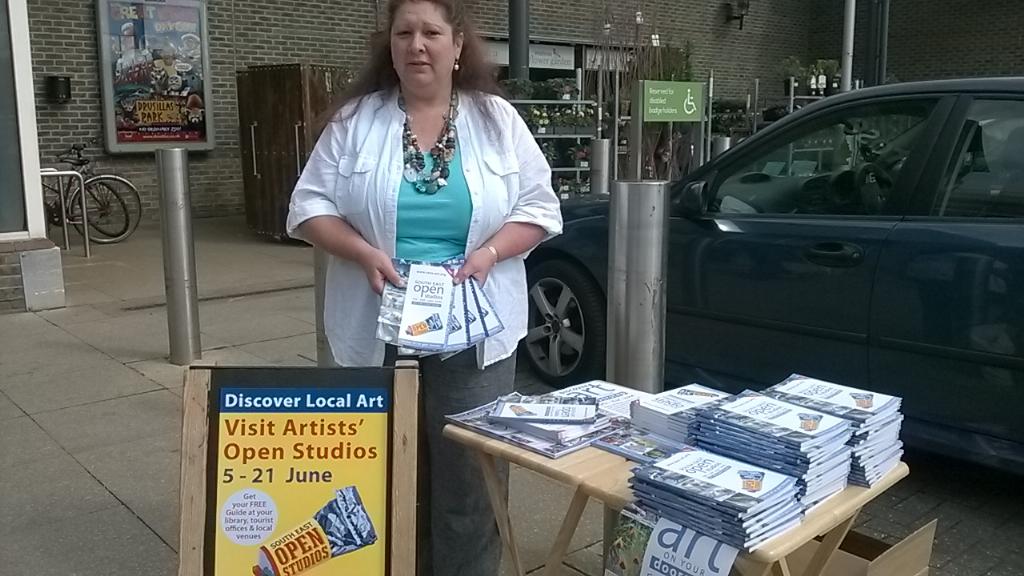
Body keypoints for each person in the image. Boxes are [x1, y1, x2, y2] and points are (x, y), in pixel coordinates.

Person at [285, 0, 563, 574]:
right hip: (376, 323)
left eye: (431, 32)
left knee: (471, 480)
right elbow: (307, 207)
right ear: (389, 45)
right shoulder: (355, 121)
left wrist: (490, 253)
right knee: (383, 474)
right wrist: (362, 251)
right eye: (404, 32)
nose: (417, 45)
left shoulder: (497, 119)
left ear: (457, 45)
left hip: (475, 331)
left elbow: (540, 208)